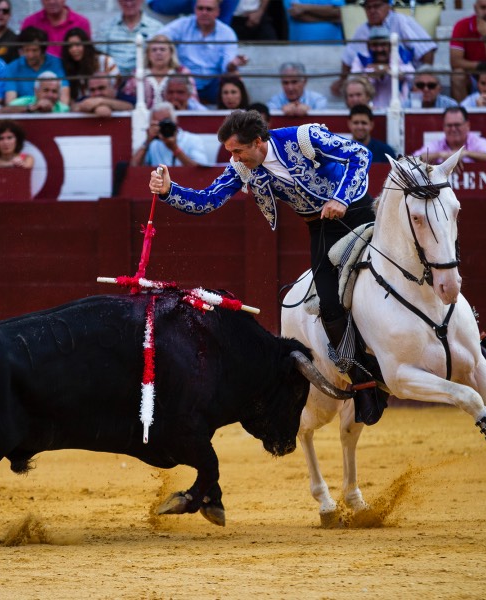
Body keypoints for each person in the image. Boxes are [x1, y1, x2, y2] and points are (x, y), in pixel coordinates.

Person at [146, 110, 384, 423]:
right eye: (232, 152)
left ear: (259, 142)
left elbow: (359, 154)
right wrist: (168, 190)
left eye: (238, 151)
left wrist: (340, 198)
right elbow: (208, 200)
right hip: (321, 227)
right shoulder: (243, 168)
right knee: (328, 305)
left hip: (357, 209)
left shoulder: (304, 138)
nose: (235, 158)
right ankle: (366, 383)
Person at [333, 0, 436, 98]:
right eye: (368, 7)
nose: (372, 11)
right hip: (373, 85)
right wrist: (342, 80)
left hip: (407, 81)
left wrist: (423, 81)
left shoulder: (400, 21)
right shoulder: (362, 29)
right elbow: (348, 58)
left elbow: (427, 50)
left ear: (388, 6)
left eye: (376, 6)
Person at [157, 0, 248, 105]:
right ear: (195, 10)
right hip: (185, 81)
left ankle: (236, 117)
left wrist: (232, 65)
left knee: (234, 76)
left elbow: (227, 64)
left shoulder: (227, 33)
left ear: (217, 12)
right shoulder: (182, 24)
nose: (204, 12)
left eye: (209, 9)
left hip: (213, 83)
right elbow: (157, 39)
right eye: (200, 8)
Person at [120, 34, 200, 110]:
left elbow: (193, 100)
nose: (158, 53)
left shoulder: (182, 72)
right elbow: (128, 99)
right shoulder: (138, 73)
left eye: (162, 49)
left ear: (171, 52)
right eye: (154, 50)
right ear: (148, 54)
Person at [350, 25, 414, 109]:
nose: (379, 49)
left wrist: (388, 69)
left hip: (397, 109)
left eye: (383, 45)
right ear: (368, 46)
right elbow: (355, 78)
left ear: (390, 45)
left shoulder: (400, 56)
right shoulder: (361, 58)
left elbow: (411, 75)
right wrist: (371, 72)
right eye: (375, 45)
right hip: (370, 110)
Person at [3, 26, 69, 106]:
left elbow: (64, 100)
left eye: (34, 50)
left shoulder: (57, 63)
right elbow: (10, 103)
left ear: (43, 50)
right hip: (25, 114)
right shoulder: (12, 67)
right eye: (26, 50)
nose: (30, 55)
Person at [130, 101, 207, 167]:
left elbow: (200, 170)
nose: (163, 126)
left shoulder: (192, 140)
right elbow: (133, 167)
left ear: (175, 121)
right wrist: (147, 142)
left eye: (166, 122)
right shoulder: (152, 143)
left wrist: (175, 148)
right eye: (158, 123)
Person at [96, 0, 162, 75]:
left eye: (132, 0)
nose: (128, 3)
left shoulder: (157, 28)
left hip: (145, 79)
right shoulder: (105, 28)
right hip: (113, 80)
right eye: (124, 0)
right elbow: (100, 60)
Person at [413, 106, 486, 164]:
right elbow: (413, 161)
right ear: (443, 127)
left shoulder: (478, 142)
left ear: (467, 125)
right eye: (449, 125)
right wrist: (440, 155)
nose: (453, 129)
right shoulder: (436, 145)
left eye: (457, 125)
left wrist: (465, 154)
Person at [61, 27, 119, 102]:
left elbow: (116, 88)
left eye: (77, 45)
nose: (74, 49)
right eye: (70, 46)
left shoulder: (105, 61)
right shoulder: (70, 68)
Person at [19, 0, 91, 59]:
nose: (52, 2)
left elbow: (87, 54)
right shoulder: (30, 22)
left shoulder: (81, 23)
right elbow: (22, 53)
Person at [4, 70, 69, 113]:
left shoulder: (64, 109)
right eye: (46, 90)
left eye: (54, 91)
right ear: (36, 91)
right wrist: (31, 107)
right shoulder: (24, 102)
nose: (50, 95)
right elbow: (2, 111)